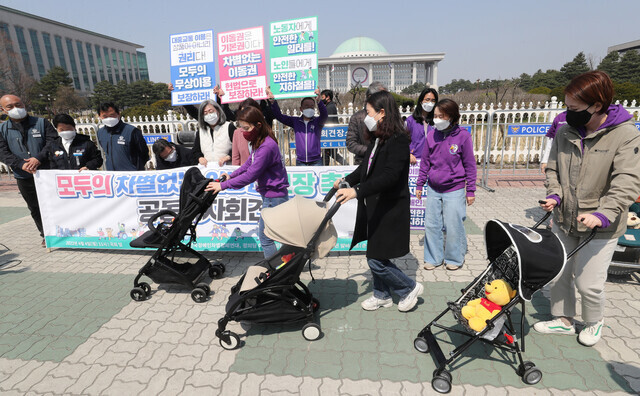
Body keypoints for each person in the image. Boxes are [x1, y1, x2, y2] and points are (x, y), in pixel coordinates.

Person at [535, 71, 640, 347]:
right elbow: (554, 168)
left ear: (597, 105)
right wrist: (555, 195)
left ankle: (594, 321)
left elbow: (627, 181)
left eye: (573, 108)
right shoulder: (565, 130)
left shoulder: (625, 135)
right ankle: (563, 319)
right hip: (564, 217)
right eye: (566, 107)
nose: (567, 113)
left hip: (601, 224)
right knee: (559, 272)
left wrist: (603, 213)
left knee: (588, 282)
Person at [334, 90, 423, 312]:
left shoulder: (399, 140)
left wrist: (357, 191)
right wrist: (347, 180)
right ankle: (381, 295)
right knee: (376, 254)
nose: (366, 115)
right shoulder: (378, 138)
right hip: (376, 206)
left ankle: (408, 287)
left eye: (369, 111)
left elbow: (390, 177)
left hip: (390, 208)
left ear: (382, 113)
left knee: (375, 259)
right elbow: (366, 168)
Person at [205, 106, 289, 258]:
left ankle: (274, 271)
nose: (243, 132)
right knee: (281, 235)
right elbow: (249, 163)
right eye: (241, 128)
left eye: (246, 128)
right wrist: (231, 175)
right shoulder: (260, 142)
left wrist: (223, 185)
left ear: (258, 125)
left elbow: (251, 175)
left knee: (266, 238)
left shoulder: (266, 146)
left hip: (273, 198)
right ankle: (285, 265)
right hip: (272, 196)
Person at [415, 99, 477, 271]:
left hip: (455, 188)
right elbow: (425, 162)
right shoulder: (431, 135)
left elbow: (470, 165)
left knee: (453, 225)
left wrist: (470, 190)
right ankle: (433, 258)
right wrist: (420, 184)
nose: (437, 120)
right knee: (432, 225)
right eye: (435, 116)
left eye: (441, 116)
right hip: (434, 188)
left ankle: (454, 258)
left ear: (451, 116)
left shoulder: (463, 136)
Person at [0, 94, 57, 245]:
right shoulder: (2, 129)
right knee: (34, 207)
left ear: (24, 104)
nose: (15, 109)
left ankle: (63, 230)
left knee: (54, 203)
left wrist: (38, 158)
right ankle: (46, 234)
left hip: (47, 173)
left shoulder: (41, 122)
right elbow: (2, 152)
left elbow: (53, 142)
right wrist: (20, 164)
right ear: (3, 110)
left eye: (18, 104)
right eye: (10, 107)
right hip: (23, 175)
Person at [269, 88, 328, 166]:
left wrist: (319, 101)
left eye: (312, 106)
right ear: (301, 109)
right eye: (306, 106)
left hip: (316, 161)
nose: (309, 108)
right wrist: (273, 102)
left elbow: (324, 115)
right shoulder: (295, 121)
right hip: (301, 161)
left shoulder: (317, 122)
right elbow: (279, 116)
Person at [96, 102, 149, 171]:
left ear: (118, 114)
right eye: (105, 116)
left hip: (131, 175)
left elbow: (144, 153)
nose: (109, 118)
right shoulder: (101, 133)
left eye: (112, 115)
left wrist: (136, 168)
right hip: (113, 175)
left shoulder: (132, 131)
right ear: (100, 116)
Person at [346, 81, 387, 164]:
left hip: (385, 162)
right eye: (381, 96)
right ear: (370, 97)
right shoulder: (357, 118)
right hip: (363, 162)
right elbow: (351, 143)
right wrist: (372, 151)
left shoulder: (389, 115)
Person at [191, 98, 233, 167]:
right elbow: (195, 150)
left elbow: (238, 147)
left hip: (227, 168)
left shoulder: (229, 127)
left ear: (218, 111)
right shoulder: (201, 131)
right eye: (205, 113)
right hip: (208, 169)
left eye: (211, 111)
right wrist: (200, 158)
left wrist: (228, 156)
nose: (209, 115)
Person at [406, 88, 438, 165]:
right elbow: (401, 141)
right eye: (427, 99)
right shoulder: (410, 121)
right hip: (414, 163)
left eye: (433, 100)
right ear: (421, 101)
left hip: (432, 163)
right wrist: (408, 154)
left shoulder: (437, 121)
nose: (430, 103)